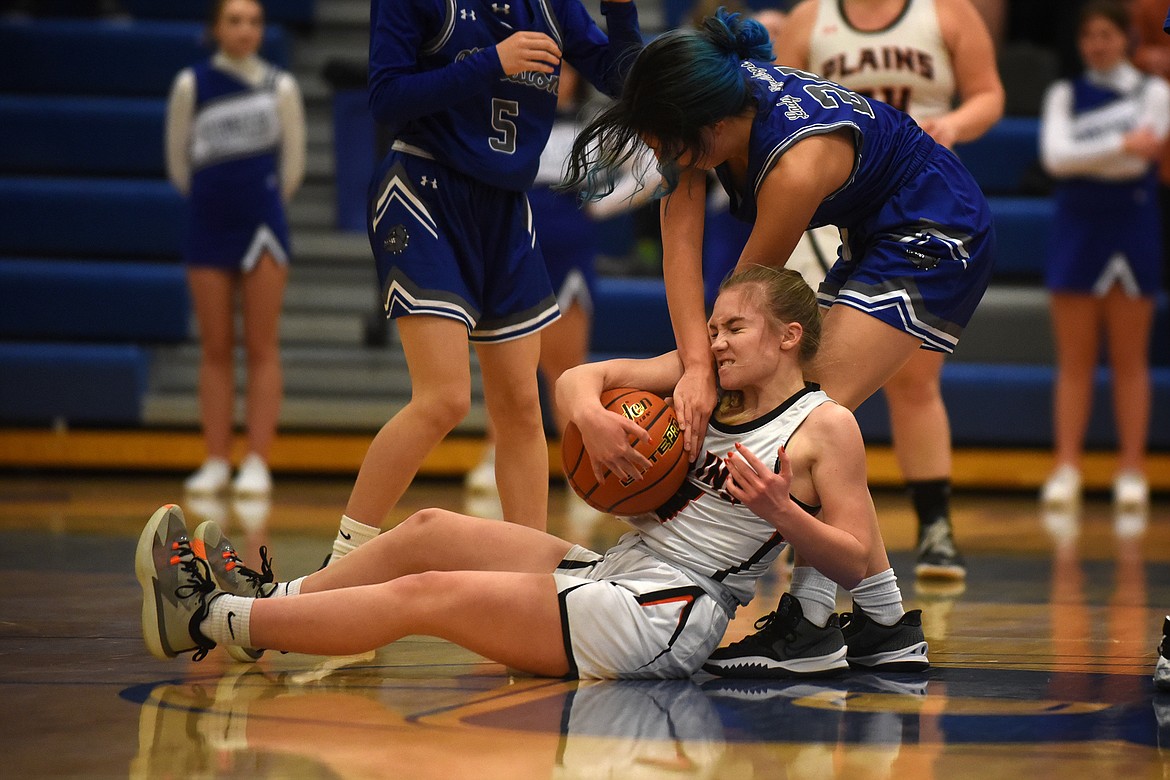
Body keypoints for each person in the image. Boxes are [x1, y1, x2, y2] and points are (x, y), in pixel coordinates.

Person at [136, 266, 928, 679]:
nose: (714, 341)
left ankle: (206, 619)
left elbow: (857, 559)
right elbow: (576, 379)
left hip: (666, 614)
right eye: (713, 326)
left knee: (428, 597)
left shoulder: (826, 428)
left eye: (733, 328)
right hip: (621, 567)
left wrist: (782, 512)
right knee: (428, 531)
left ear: (789, 336)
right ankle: (265, 607)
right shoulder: (697, 378)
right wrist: (589, 418)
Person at [562, 9, 994, 671]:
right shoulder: (711, 98)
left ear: (708, 132)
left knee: (805, 414)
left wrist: (703, 365)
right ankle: (879, 625)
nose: (656, 158)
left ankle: (817, 622)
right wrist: (695, 367)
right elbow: (680, 241)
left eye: (663, 145)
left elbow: (744, 306)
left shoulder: (792, 167)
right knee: (807, 412)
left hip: (935, 232)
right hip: (877, 229)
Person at [319, 0, 643, 562]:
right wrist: (490, 62)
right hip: (424, 188)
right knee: (443, 397)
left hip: (505, 209)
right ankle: (343, 562)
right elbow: (385, 98)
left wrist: (620, 12)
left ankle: (530, 574)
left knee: (520, 405)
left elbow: (624, 82)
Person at [758, 0, 1005, 583]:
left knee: (912, 381)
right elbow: (775, 109)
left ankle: (933, 526)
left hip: (917, 206)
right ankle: (819, 542)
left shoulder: (946, 13)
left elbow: (989, 92)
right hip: (823, 215)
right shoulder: (810, 17)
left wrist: (957, 124)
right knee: (812, 390)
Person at [464, 64, 654, 499]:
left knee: (564, 367)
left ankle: (582, 464)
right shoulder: (506, 118)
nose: (553, 78)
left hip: (568, 251)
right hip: (510, 246)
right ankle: (496, 455)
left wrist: (599, 207)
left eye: (563, 69)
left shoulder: (595, 124)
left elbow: (652, 166)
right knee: (506, 367)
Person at [165, 0, 306, 497]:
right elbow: (179, 164)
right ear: (216, 27)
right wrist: (214, 203)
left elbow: (292, 169)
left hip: (262, 229)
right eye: (235, 20)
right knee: (215, 347)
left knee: (262, 346)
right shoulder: (191, 84)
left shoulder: (280, 87)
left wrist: (257, 205)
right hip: (207, 225)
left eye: (254, 21)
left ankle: (257, 462)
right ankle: (216, 459)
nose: (246, 30)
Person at [1037, 0, 1169, 511]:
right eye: (1089, 36)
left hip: (1134, 225)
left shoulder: (1154, 91)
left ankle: (1132, 468)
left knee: (1130, 360)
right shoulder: (1065, 93)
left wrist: (1096, 154)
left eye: (1107, 35)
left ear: (1125, 39)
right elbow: (1055, 158)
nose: (1098, 44)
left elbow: (1148, 152)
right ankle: (1066, 466)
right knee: (1074, 361)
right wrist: (1121, 143)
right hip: (1076, 227)